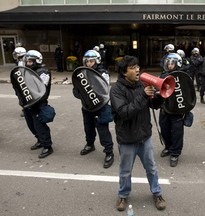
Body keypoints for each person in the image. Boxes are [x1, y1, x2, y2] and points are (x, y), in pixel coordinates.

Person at [110, 55, 166, 211]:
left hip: (144, 136)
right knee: (125, 171)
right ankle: (123, 195)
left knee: (152, 168)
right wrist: (143, 95)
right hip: (127, 138)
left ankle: (157, 193)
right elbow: (124, 113)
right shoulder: (116, 90)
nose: (137, 70)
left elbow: (153, 105)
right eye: (133, 68)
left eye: (137, 67)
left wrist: (160, 95)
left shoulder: (142, 85)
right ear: (124, 72)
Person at [73, 50, 114, 169]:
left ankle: (109, 152)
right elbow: (77, 88)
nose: (89, 63)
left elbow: (104, 89)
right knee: (88, 126)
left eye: (91, 61)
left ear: (97, 61)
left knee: (103, 129)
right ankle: (90, 144)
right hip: (87, 106)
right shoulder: (82, 72)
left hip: (100, 106)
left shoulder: (103, 72)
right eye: (87, 61)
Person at [22, 50, 54, 158]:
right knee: (31, 124)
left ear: (37, 61)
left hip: (38, 103)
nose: (28, 63)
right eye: (27, 61)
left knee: (39, 125)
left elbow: (40, 88)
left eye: (30, 61)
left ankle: (47, 146)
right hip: (28, 102)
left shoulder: (43, 72)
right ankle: (39, 140)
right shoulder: (27, 71)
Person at [159, 53, 186, 167]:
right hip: (165, 108)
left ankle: (175, 153)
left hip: (177, 110)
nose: (169, 65)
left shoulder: (183, 76)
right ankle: (168, 147)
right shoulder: (163, 75)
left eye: (172, 63)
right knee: (164, 129)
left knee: (177, 132)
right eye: (168, 63)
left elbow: (188, 93)